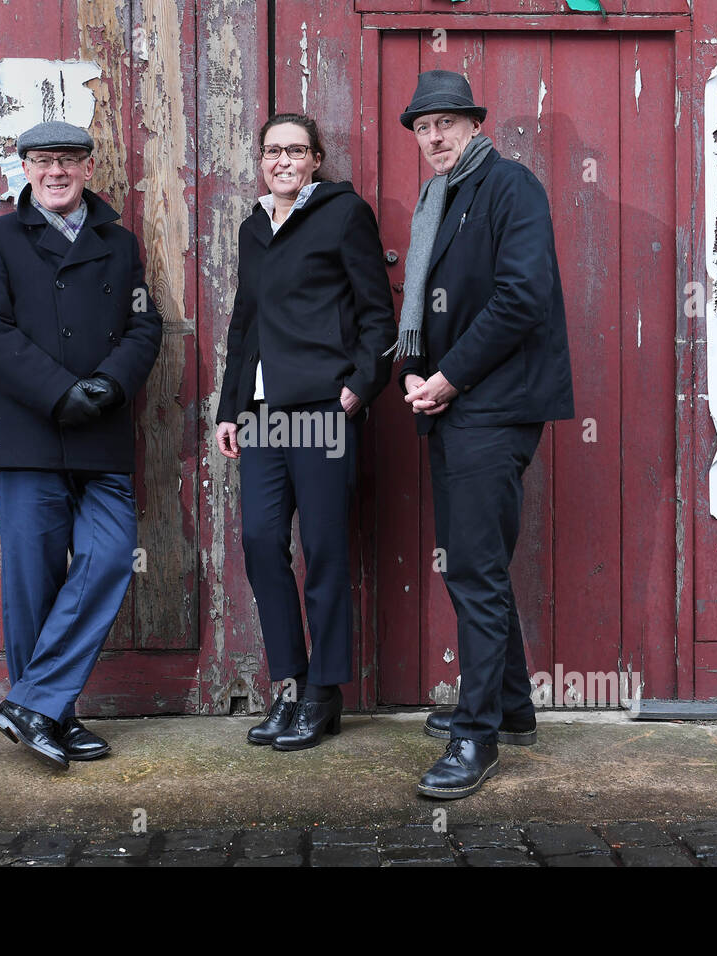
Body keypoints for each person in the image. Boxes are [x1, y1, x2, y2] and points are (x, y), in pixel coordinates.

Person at [395, 71, 574, 798]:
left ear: (473, 125)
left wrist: (450, 377)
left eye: (445, 123)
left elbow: (521, 298)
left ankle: (477, 738)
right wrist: (414, 371)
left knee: (471, 569)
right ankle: (511, 710)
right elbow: (430, 307)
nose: (432, 137)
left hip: (491, 407)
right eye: (421, 127)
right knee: (478, 564)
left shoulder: (509, 187)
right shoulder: (441, 198)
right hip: (451, 404)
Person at [0, 121, 162, 770]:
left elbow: (143, 322)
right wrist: (59, 392)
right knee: (33, 581)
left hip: (101, 430)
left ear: (87, 168)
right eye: (43, 161)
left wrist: (110, 382)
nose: (55, 172)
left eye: (68, 161)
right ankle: (54, 712)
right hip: (27, 433)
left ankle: (32, 704)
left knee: (109, 555)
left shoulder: (119, 241)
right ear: (22, 167)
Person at [215, 113, 396, 751]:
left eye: (295, 150)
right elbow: (245, 323)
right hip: (263, 415)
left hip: (323, 410)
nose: (283, 160)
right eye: (272, 151)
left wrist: (359, 386)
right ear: (262, 161)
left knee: (322, 551)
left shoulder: (344, 216)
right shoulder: (253, 227)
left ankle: (324, 693)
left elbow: (380, 314)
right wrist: (228, 409)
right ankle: (289, 685)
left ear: (316, 157)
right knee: (263, 542)